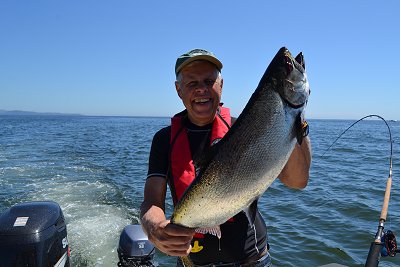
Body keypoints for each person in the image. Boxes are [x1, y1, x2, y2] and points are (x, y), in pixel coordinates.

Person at [140, 49, 312, 266]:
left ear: (221, 85)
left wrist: (295, 117)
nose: (201, 89)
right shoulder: (164, 140)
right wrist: (154, 228)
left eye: (209, 81)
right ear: (178, 89)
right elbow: (151, 201)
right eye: (192, 83)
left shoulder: (249, 127)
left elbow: (298, 181)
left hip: (252, 260)